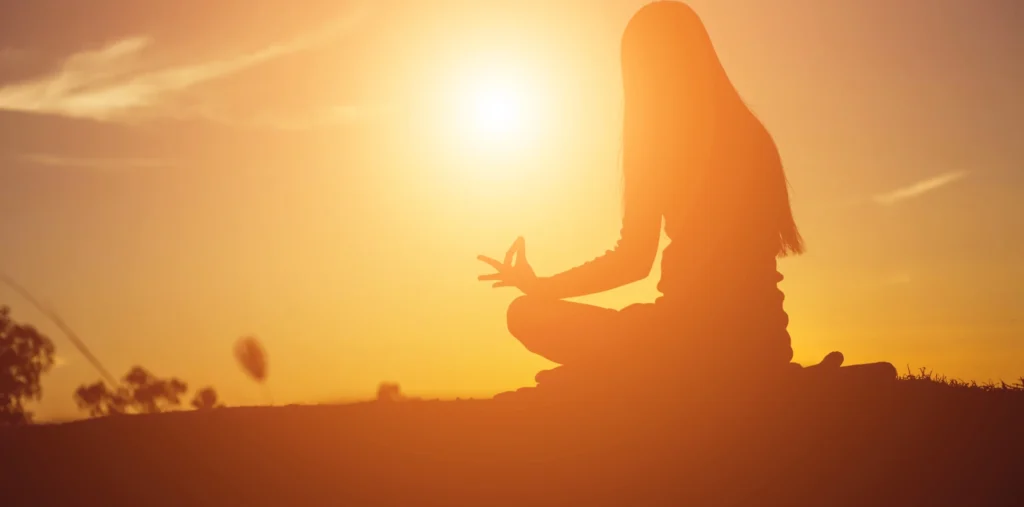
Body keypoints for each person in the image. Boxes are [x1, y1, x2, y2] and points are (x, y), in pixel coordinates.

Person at [478, 1, 805, 378]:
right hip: (765, 341)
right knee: (623, 339)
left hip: (686, 340)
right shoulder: (753, 135)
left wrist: (540, 288)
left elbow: (633, 260)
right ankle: (621, 373)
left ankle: (620, 376)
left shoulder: (658, 145)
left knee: (526, 314)